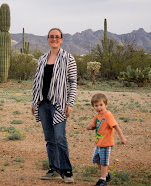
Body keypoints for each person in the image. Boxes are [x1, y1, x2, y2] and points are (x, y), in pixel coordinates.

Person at [31, 28, 77, 184]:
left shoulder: (68, 58)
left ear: (62, 39)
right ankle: (54, 169)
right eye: (51, 37)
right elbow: (37, 81)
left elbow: (73, 83)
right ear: (47, 39)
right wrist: (34, 102)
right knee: (49, 139)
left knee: (60, 137)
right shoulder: (42, 58)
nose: (54, 39)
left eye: (57, 37)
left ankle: (67, 171)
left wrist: (70, 103)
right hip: (43, 103)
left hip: (59, 104)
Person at [86, 93, 127, 186]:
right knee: (96, 159)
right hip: (98, 143)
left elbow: (116, 126)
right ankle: (106, 175)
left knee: (104, 162)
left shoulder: (108, 114)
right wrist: (90, 127)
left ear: (106, 105)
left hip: (106, 143)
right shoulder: (97, 116)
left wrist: (122, 137)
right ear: (93, 106)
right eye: (96, 105)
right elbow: (94, 126)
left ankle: (103, 180)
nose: (99, 107)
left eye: (101, 105)